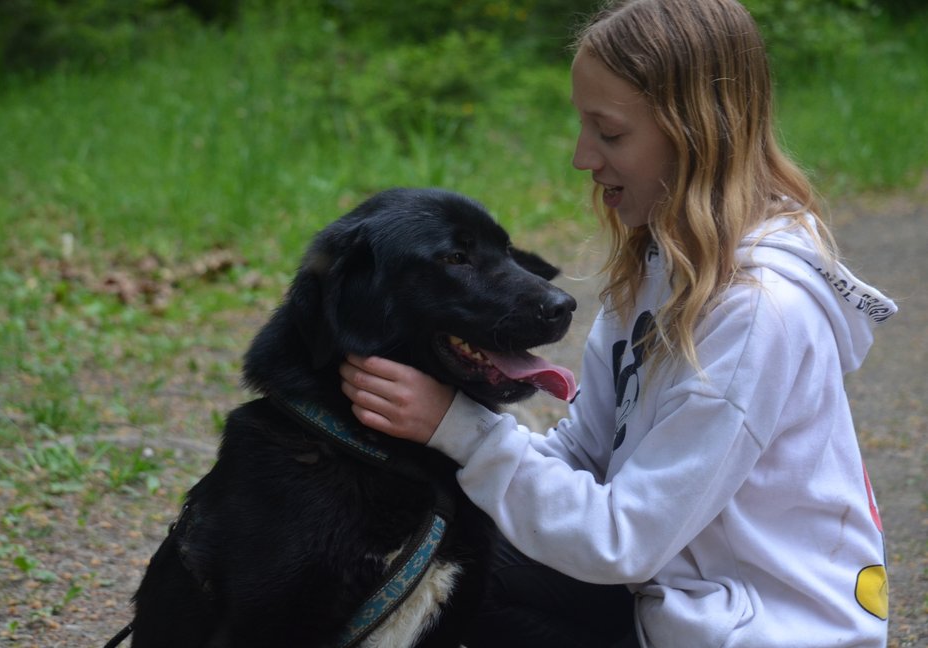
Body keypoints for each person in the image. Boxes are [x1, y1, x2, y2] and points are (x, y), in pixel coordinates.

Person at [339, 0, 896, 645]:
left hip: (755, 629)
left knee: (458, 595)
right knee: (433, 566)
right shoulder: (660, 267)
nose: (583, 157)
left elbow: (621, 541)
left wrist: (460, 430)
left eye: (609, 133)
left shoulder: (756, 313)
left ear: (695, 132)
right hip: (671, 593)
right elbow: (586, 453)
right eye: (584, 127)